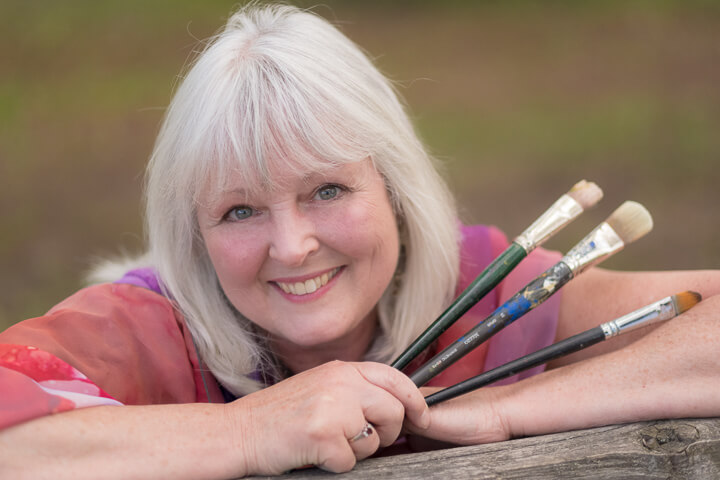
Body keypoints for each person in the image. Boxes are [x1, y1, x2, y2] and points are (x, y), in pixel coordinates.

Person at [1, 4, 719, 479]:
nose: (291, 245)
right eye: (240, 212)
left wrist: (513, 406)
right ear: (195, 233)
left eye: (328, 191)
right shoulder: (146, 328)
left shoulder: (485, 292)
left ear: (396, 193)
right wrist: (251, 433)